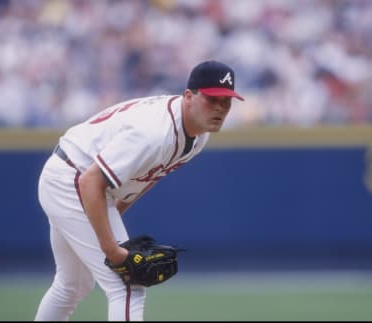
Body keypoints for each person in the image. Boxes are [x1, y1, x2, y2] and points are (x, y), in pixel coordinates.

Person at [34, 60, 244, 321]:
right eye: (212, 99)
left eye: (227, 101)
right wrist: (112, 249)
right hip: (73, 179)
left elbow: (147, 175)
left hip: (77, 178)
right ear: (189, 96)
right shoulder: (155, 132)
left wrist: (112, 222)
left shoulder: (199, 134)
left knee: (73, 285)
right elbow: (91, 182)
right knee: (127, 286)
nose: (220, 108)